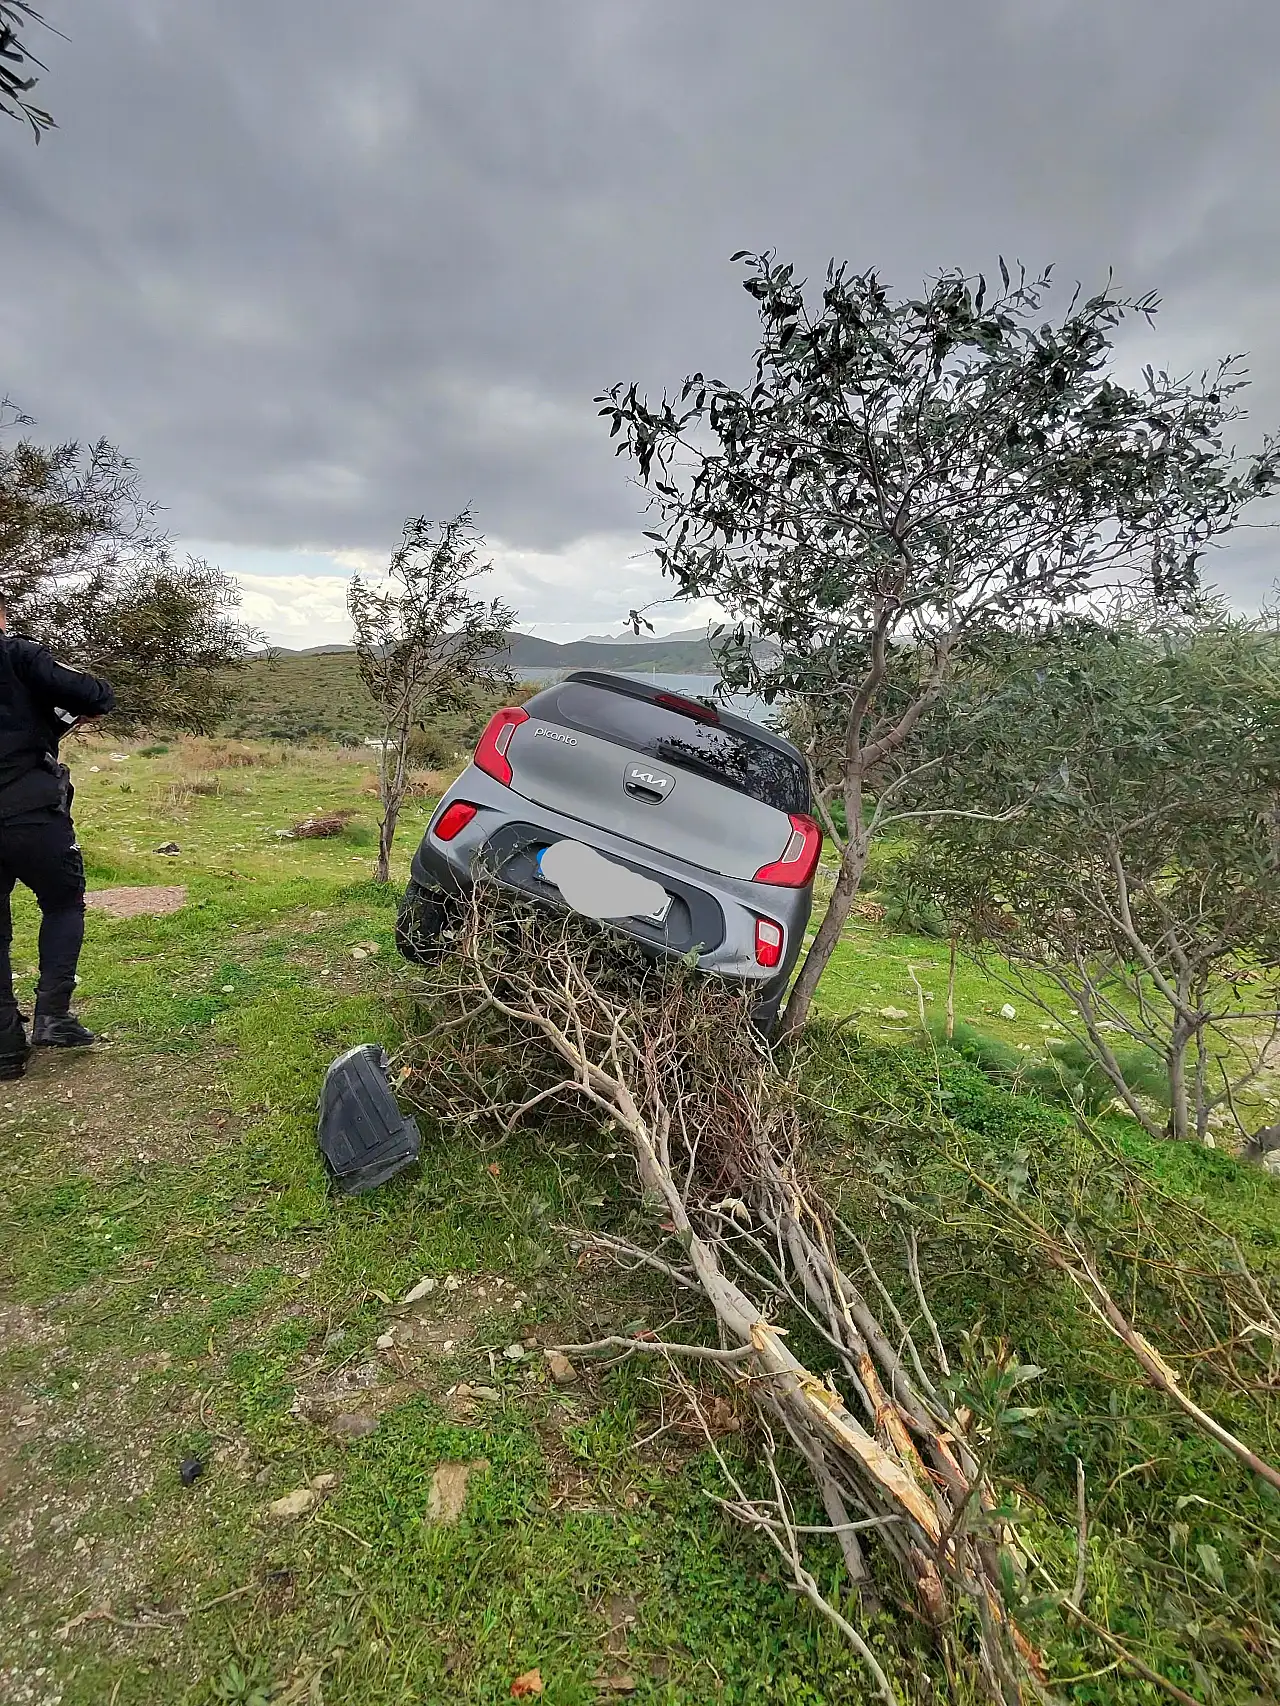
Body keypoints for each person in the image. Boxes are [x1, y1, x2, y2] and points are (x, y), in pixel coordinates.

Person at [0, 595, 115, 1078]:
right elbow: (94, 696)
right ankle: (53, 1015)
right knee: (64, 903)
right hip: (30, 812)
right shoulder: (18, 655)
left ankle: (5, 1043)